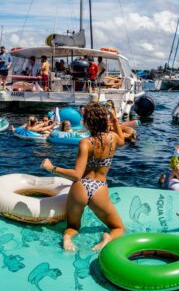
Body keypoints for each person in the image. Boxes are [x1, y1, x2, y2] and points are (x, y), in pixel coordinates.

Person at [41, 102, 125, 252]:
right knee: (118, 227)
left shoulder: (85, 143)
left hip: (81, 187)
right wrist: (114, 119)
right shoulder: (113, 138)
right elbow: (122, 140)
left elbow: (77, 174)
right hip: (99, 188)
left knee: (73, 226)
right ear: (104, 120)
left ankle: (67, 239)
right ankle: (108, 238)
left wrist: (51, 168)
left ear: (87, 123)